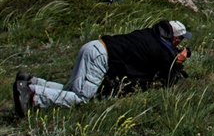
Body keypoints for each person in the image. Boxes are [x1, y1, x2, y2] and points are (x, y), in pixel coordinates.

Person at [13, 20, 191, 116]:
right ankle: (31, 94)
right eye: (180, 40)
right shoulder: (161, 51)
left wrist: (171, 55)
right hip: (101, 58)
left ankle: (33, 81)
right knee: (82, 98)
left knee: (71, 89)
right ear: (175, 39)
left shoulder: (150, 33)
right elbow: (168, 79)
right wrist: (179, 61)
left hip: (94, 46)